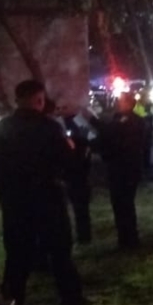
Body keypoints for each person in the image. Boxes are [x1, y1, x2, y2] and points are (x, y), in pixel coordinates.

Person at [0, 80, 85, 305]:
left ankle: (12, 303)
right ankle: (71, 298)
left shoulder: (1, 130)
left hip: (15, 201)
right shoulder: (50, 128)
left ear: (17, 99)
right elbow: (69, 163)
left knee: (17, 254)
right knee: (60, 250)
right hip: (48, 198)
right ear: (39, 100)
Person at [93, 93, 147, 249]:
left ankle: (129, 240)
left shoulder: (132, 120)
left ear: (129, 103)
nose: (118, 103)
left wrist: (88, 119)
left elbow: (109, 133)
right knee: (121, 206)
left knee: (124, 205)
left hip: (125, 170)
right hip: (120, 169)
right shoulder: (123, 118)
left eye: (121, 101)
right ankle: (125, 239)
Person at [60, 103, 96, 245]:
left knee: (80, 204)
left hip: (79, 168)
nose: (62, 109)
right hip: (66, 169)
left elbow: (92, 138)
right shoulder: (56, 123)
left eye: (64, 106)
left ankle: (84, 235)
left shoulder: (78, 121)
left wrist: (85, 148)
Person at [133, 92, 153, 174]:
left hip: (148, 129)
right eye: (146, 97)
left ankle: (147, 164)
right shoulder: (139, 104)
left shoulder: (149, 104)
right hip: (142, 130)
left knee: (147, 148)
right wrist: (149, 115)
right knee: (143, 148)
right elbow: (140, 115)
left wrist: (152, 114)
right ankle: (143, 165)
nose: (147, 98)